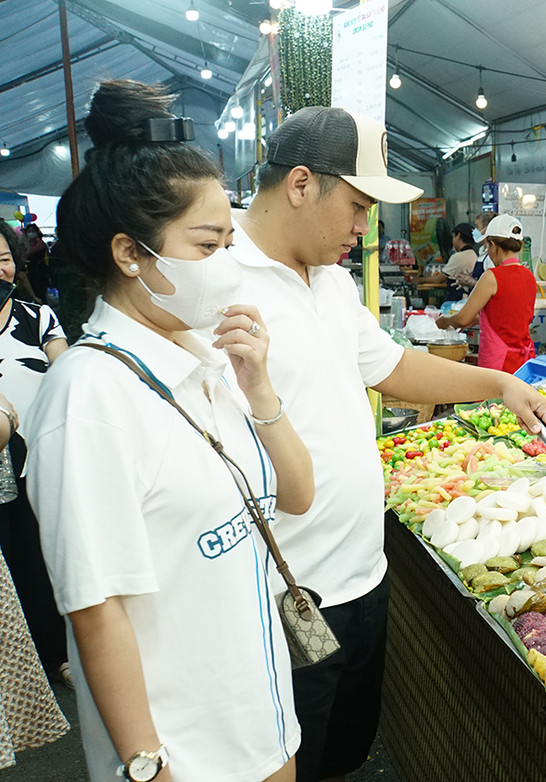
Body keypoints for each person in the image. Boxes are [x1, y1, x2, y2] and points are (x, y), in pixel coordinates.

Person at [230, 105, 546, 782]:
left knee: (344, 753)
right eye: (357, 206)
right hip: (284, 595)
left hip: (363, 577)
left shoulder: (331, 279)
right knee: (288, 760)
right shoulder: (218, 279)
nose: (364, 227)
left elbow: (394, 368)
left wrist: (498, 385)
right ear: (300, 184)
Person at [30, 79, 315, 782]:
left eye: (230, 242)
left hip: (263, 717)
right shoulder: (89, 398)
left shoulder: (207, 359)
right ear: (130, 253)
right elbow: (96, 610)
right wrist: (148, 766)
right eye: (208, 244)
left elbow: (296, 496)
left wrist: (259, 387)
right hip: (189, 752)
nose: (228, 265)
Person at [0, 221, 70, 690]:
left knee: (40, 557)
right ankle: (19, 672)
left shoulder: (38, 317)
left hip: (37, 458)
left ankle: (58, 655)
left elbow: (65, 372)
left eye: (3, 259)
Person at [435, 214, 537, 373]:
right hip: (524, 361)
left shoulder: (492, 277)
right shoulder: (529, 276)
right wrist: (478, 320)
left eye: (487, 247)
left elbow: (462, 319)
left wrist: (444, 321)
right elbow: (509, 316)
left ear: (493, 246)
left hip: (499, 362)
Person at [415, 223, 481, 303]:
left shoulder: (459, 257)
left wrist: (420, 280)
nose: (452, 240)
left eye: (453, 237)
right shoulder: (473, 254)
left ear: (458, 236)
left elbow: (438, 279)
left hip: (457, 301)